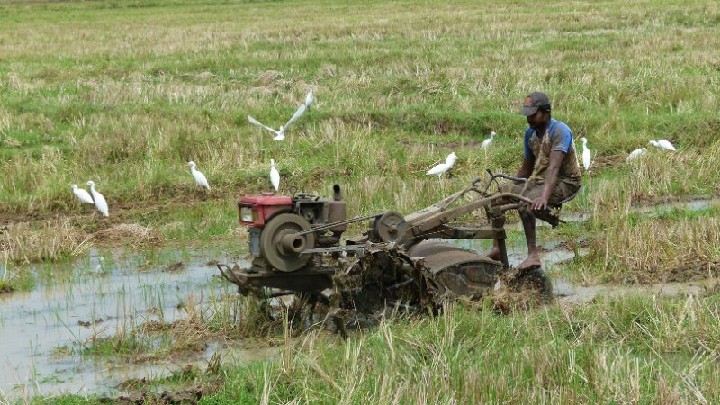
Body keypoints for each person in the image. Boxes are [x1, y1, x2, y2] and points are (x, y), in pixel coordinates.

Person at [489, 92, 582, 271]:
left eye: (533, 115)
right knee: (496, 198)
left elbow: (554, 168)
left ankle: (533, 255)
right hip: (541, 180)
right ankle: (497, 249)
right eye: (527, 115)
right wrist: (510, 190)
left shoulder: (560, 131)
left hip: (566, 182)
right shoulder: (530, 134)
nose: (529, 119)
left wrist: (543, 197)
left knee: (526, 202)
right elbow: (526, 169)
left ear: (546, 113)